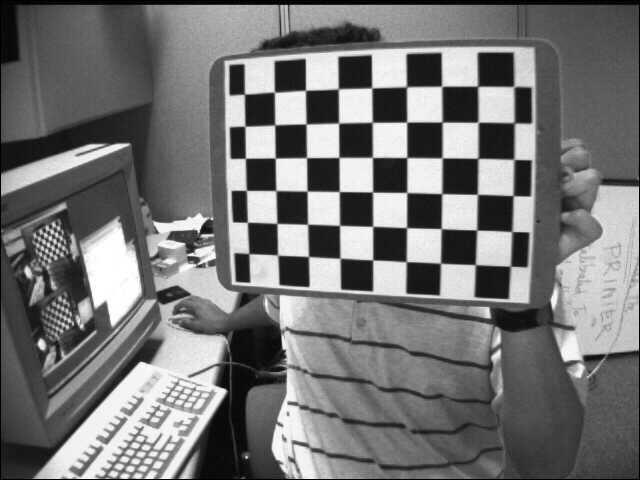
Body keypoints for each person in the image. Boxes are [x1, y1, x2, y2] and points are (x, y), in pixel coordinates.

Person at [173, 23, 603, 478]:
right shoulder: (296, 236)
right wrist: (227, 321)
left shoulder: (494, 261)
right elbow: (278, 306)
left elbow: (547, 466)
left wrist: (519, 308)